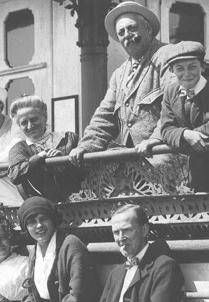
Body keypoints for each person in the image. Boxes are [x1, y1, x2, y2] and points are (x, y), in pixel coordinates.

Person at [68, 2, 186, 186]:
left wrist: (155, 140)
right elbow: (104, 117)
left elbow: (175, 106)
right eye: (121, 33)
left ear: (148, 28)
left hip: (167, 162)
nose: (127, 36)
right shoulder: (120, 74)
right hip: (133, 172)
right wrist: (86, 146)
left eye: (131, 28)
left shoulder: (167, 55)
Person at [0, 197, 100, 302]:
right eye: (31, 222)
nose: (39, 226)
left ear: (53, 220)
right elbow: (30, 293)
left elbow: (79, 295)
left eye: (43, 218)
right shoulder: (35, 252)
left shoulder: (70, 245)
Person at [155, 41, 209, 192]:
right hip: (189, 172)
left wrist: (181, 137)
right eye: (180, 69)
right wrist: (186, 134)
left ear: (202, 67)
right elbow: (166, 129)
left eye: (192, 67)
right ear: (171, 70)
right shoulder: (170, 92)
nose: (186, 74)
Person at [8, 95, 85, 201]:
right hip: (43, 208)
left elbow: (86, 170)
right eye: (24, 123)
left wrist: (63, 160)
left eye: (34, 119)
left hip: (78, 202)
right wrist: (39, 157)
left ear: (45, 117)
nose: (30, 126)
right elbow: (14, 175)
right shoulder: (19, 148)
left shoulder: (68, 139)